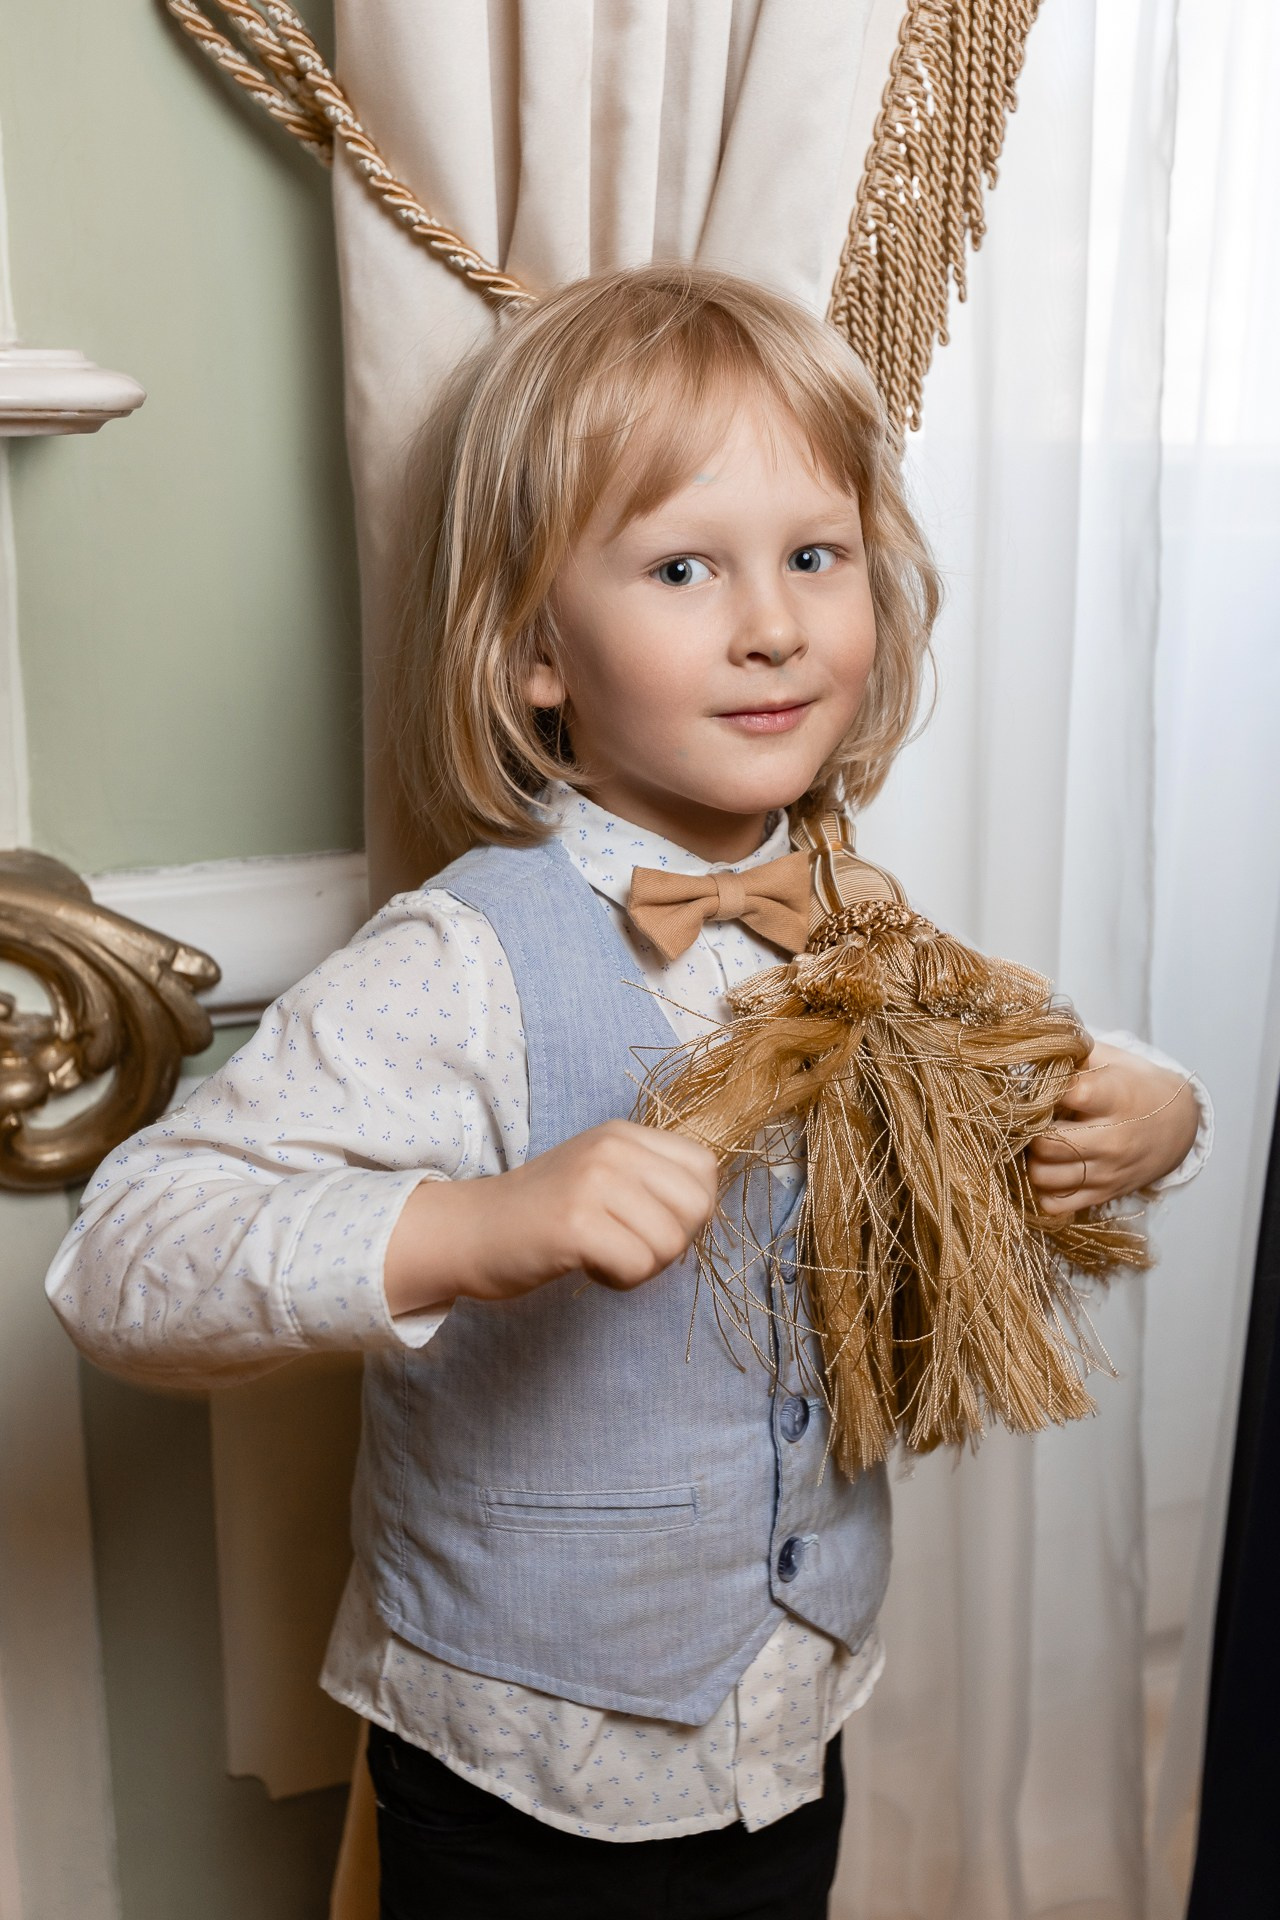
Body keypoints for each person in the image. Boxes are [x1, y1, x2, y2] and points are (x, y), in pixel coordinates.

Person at [46, 265, 1209, 1920]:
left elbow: (1019, 1056)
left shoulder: (854, 910)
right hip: (527, 1757)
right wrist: (468, 1225)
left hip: (786, 1710)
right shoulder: (457, 963)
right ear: (534, 652)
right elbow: (123, 1264)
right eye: (684, 567)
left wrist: (1155, 1102)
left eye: (816, 556)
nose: (775, 623)